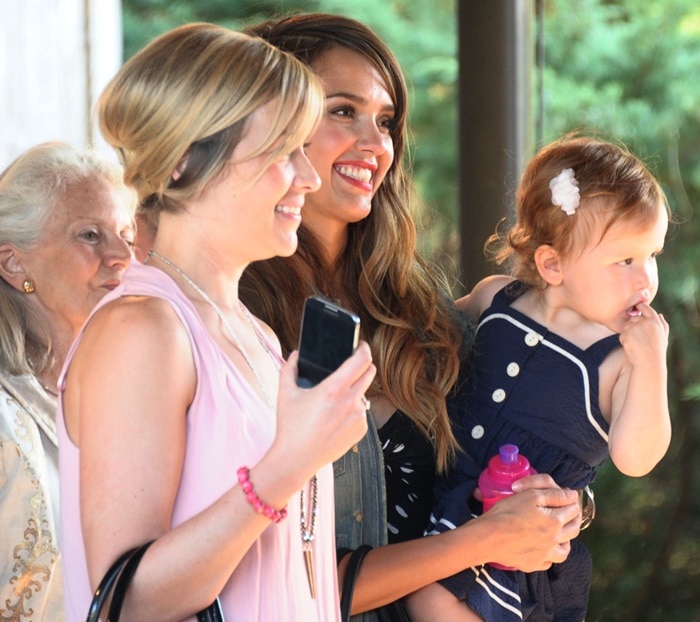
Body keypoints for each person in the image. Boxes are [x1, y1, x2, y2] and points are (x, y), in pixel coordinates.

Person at [240, 13, 582, 620]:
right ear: (269, 118)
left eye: (386, 120)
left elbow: (539, 437)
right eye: (342, 110)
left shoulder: (422, 315)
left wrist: (560, 503)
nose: (375, 144)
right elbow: (275, 579)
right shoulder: (238, 323)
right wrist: (477, 542)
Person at [57, 23, 376, 622]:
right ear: (183, 164)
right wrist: (285, 468)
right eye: (284, 152)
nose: (308, 177)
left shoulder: (254, 332)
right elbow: (130, 603)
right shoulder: (142, 331)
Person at [407, 135, 672, 621]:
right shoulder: (496, 300)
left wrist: (652, 364)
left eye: (651, 255)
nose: (645, 280)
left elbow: (637, 458)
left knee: (424, 597)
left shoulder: (619, 360)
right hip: (446, 503)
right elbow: (428, 339)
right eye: (625, 260)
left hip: (521, 543)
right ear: (552, 264)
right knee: (415, 588)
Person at [0, 141, 135, 620]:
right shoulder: (5, 415)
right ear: (15, 265)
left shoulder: (127, 393)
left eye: (126, 234)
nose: (122, 256)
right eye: (91, 236)